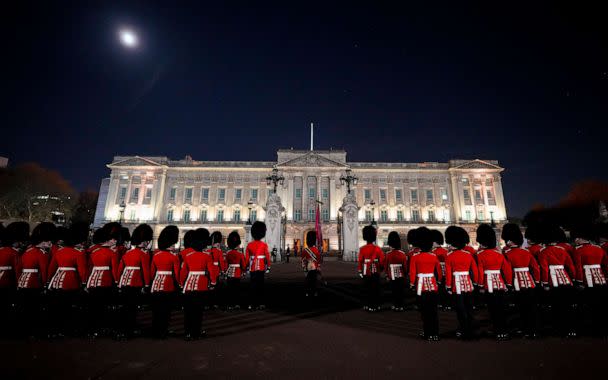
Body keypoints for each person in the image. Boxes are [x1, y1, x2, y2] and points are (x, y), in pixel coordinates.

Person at [47, 222, 89, 338]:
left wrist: (48, 281)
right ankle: (67, 329)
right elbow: (82, 271)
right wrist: (84, 283)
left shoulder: (59, 252)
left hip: (57, 281)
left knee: (57, 308)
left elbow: (52, 268)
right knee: (69, 308)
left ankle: (55, 330)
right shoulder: (78, 253)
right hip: (71, 282)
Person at [502, 223, 540, 338]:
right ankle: (533, 330)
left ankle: (524, 329)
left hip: (516, 283)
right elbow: (535, 268)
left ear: (509, 241)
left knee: (521, 308)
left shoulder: (507, 253)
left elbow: (508, 271)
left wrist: (508, 284)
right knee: (531, 307)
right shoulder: (526, 252)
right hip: (529, 281)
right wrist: (537, 281)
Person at [538, 223, 577, 338]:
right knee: (567, 306)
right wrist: (573, 279)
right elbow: (571, 267)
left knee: (556, 307)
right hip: (565, 280)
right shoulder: (562, 250)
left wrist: (545, 283)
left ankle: (559, 329)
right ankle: (571, 330)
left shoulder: (543, 252)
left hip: (552, 281)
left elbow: (544, 269)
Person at [17, 222, 55, 338]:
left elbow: (19, 268)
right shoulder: (41, 254)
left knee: (25, 308)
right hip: (34, 283)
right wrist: (45, 285)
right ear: (42, 241)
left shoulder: (27, 251)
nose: (50, 243)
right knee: (34, 310)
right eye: (48, 241)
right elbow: (44, 271)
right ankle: (33, 331)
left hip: (23, 282)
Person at [116, 223, 153, 340]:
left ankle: (122, 330)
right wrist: (146, 285)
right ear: (145, 241)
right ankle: (128, 330)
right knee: (132, 308)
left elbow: (120, 269)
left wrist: (119, 282)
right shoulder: (143, 255)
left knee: (125, 307)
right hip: (136, 283)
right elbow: (146, 271)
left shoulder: (128, 253)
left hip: (124, 282)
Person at [476, 223, 512, 341]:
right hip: (500, 284)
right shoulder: (499, 254)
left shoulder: (480, 254)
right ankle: (504, 331)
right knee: (501, 308)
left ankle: (497, 330)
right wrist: (508, 284)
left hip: (488, 284)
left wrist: (480, 285)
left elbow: (480, 271)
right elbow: (506, 270)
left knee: (493, 309)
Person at [571, 224, 608, 337]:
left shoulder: (578, 250)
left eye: (577, 238)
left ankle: (590, 330)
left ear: (582, 237)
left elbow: (578, 268)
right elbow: (606, 265)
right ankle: (602, 330)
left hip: (587, 280)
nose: (575, 240)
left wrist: (579, 282)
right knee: (601, 306)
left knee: (587, 307)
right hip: (600, 279)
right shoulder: (599, 248)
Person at [86, 223, 120, 339]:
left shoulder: (94, 251)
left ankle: (92, 329)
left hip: (92, 281)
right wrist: (116, 282)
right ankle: (102, 329)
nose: (115, 241)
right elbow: (114, 270)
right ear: (109, 239)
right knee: (104, 307)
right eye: (113, 239)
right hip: (106, 281)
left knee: (93, 307)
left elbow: (89, 267)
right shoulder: (112, 253)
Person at [180, 228, 215, 340]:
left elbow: (183, 272)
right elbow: (211, 271)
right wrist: (213, 282)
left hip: (189, 285)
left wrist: (182, 284)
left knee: (188, 311)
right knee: (198, 311)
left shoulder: (188, 256)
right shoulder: (206, 256)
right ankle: (196, 332)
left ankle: (187, 333)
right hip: (201, 285)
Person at [444, 226, 478, 339]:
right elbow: (474, 270)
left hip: (456, 285)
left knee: (460, 308)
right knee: (469, 307)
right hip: (468, 284)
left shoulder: (449, 256)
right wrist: (476, 283)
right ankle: (471, 327)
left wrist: (448, 286)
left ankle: (463, 328)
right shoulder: (468, 255)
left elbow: (448, 273)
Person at [409, 227, 442, 341]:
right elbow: (438, 272)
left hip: (421, 287)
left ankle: (427, 332)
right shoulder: (433, 256)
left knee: (425, 312)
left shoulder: (415, 257)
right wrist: (438, 281)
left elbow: (413, 272)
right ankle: (435, 333)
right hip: (432, 286)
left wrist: (412, 284)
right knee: (433, 311)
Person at [150, 225, 181, 339]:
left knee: (156, 310)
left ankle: (155, 330)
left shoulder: (156, 256)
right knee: (166, 310)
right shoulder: (174, 257)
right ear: (171, 243)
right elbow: (177, 274)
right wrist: (180, 284)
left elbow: (152, 273)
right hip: (168, 285)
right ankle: (163, 331)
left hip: (156, 285)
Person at [357, 225, 385, 312]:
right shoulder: (377, 249)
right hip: (375, 270)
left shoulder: (362, 249)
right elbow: (382, 261)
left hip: (366, 271)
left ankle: (367, 305)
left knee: (366, 289)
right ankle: (375, 305)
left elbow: (360, 261)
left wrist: (360, 271)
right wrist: (381, 269)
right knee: (375, 289)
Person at [246, 222, 271, 310]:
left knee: (252, 286)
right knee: (260, 286)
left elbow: (247, 258)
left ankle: (252, 304)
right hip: (261, 267)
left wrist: (246, 267)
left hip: (252, 267)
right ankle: (260, 303)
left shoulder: (249, 245)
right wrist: (268, 266)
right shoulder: (264, 245)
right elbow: (267, 256)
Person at [384, 231, 407, 311]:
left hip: (391, 275)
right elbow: (405, 266)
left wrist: (387, 275)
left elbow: (386, 266)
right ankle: (400, 306)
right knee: (400, 291)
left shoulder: (388, 254)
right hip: (401, 275)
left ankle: (395, 305)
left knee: (394, 291)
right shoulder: (402, 254)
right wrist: (405, 274)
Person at [225, 231, 247, 310]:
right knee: (236, 290)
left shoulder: (228, 253)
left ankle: (230, 304)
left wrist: (225, 272)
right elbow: (243, 265)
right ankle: (236, 304)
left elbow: (226, 264)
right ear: (238, 244)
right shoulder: (240, 254)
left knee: (230, 290)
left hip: (230, 273)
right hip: (237, 273)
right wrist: (243, 271)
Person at [431, 230, 449, 310]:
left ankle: (441, 303)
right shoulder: (446, 251)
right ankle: (447, 304)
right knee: (446, 288)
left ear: (434, 241)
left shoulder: (432, 252)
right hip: (446, 271)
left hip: (437, 272)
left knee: (439, 289)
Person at [209, 231, 227, 309]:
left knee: (209, 287)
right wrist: (223, 270)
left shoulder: (208, 251)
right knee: (216, 288)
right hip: (216, 271)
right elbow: (221, 262)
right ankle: (214, 303)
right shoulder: (219, 251)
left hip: (209, 271)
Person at [302, 231, 322, 297]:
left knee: (307, 281)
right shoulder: (316, 250)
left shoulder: (305, 250)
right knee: (314, 281)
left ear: (308, 241)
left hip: (307, 267)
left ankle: (307, 292)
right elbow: (319, 260)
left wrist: (304, 268)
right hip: (314, 267)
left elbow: (303, 260)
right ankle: (315, 292)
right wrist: (318, 267)